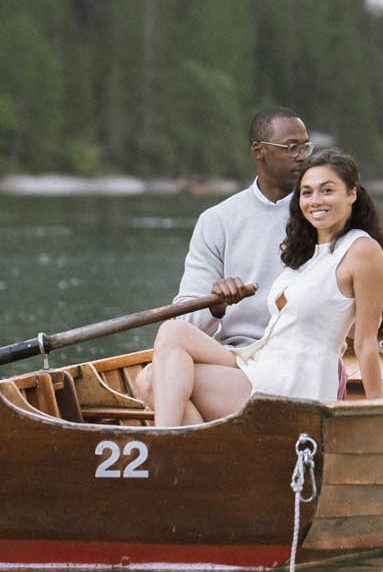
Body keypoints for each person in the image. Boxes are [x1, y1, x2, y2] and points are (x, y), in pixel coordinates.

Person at [147, 148, 383, 428]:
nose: (315, 201)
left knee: (153, 380)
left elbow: (365, 341)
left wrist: (378, 415)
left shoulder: (362, 251)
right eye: (307, 192)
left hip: (296, 383)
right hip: (263, 360)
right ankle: (187, 449)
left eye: (327, 191)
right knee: (173, 331)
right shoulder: (309, 252)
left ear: (352, 194)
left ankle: (167, 446)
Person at [130, 108, 309, 416]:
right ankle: (181, 453)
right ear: (259, 151)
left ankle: (170, 452)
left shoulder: (319, 213)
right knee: (169, 345)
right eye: (291, 147)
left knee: (150, 381)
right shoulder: (218, 220)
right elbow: (185, 318)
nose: (302, 156)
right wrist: (214, 305)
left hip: (289, 360)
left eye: (306, 147)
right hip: (232, 359)